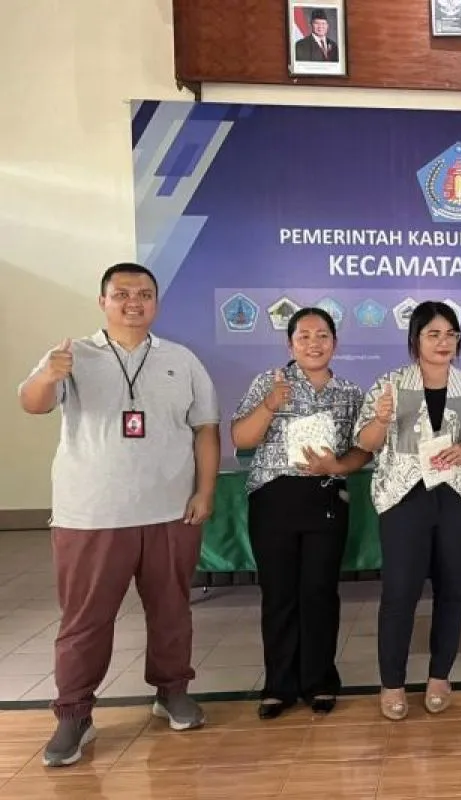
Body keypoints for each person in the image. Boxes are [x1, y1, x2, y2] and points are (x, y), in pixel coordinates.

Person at [16, 263, 219, 767]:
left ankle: (172, 692)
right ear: (103, 301)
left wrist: (205, 491)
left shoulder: (181, 359)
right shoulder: (71, 355)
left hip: (169, 511)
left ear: (156, 303)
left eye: (144, 294)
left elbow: (206, 429)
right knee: (86, 619)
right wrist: (47, 376)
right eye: (122, 293)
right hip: (91, 514)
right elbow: (32, 403)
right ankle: (74, 713)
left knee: (171, 610)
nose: (134, 302)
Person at [354, 301, 461, 721]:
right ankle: (392, 683)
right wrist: (380, 420)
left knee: (452, 588)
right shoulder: (390, 384)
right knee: (400, 591)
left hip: (459, 496)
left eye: (450, 334)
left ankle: (440, 676)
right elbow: (366, 443)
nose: (443, 342)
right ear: (415, 339)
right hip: (405, 497)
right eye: (433, 334)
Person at [230, 307, 369, 719]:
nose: (313, 343)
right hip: (274, 497)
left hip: (325, 496)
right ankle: (279, 686)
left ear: (335, 343)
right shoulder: (269, 382)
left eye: (322, 335)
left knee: (320, 592)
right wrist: (270, 405)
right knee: (279, 594)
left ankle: (320, 682)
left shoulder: (349, 392)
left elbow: (364, 448)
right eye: (303, 336)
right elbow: (241, 437)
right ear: (290, 345)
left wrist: (338, 466)